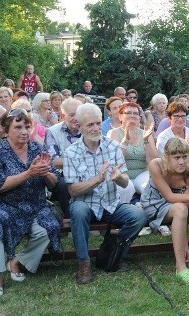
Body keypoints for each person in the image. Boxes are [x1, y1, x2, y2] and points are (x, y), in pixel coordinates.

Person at [63, 103, 147, 284]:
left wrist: (118, 178)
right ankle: (83, 263)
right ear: (80, 126)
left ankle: (115, 253)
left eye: (97, 123)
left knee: (138, 215)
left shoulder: (112, 146)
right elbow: (72, 190)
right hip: (85, 204)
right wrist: (97, 180)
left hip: (110, 203)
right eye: (90, 125)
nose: (95, 128)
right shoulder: (71, 153)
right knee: (77, 211)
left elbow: (125, 181)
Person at [0, 109, 61, 298]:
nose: (24, 131)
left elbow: (55, 183)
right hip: (1, 204)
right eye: (18, 127)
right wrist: (29, 174)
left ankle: (17, 261)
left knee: (50, 227)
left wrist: (46, 173)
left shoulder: (37, 149)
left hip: (34, 205)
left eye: (27, 126)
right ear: (6, 131)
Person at [140, 137, 189, 284]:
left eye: (184, 157)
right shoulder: (156, 165)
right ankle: (180, 266)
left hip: (178, 208)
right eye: (176, 157)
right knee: (182, 207)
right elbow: (170, 197)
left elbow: (186, 204)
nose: (182, 161)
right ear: (167, 157)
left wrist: (186, 244)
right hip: (154, 206)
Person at [108, 100, 159, 203]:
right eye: (128, 113)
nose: (132, 115)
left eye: (135, 113)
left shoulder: (145, 133)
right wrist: (126, 140)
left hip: (142, 174)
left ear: (139, 118)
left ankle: (148, 212)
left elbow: (153, 161)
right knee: (125, 188)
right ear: (120, 116)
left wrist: (145, 141)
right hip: (122, 175)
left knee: (148, 187)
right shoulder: (113, 133)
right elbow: (115, 161)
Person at [45, 97, 82, 217]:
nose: (76, 118)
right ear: (62, 114)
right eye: (71, 115)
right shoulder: (52, 132)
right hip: (62, 174)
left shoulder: (89, 129)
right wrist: (82, 160)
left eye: (78, 114)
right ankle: (71, 218)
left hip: (88, 171)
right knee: (64, 184)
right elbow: (54, 161)